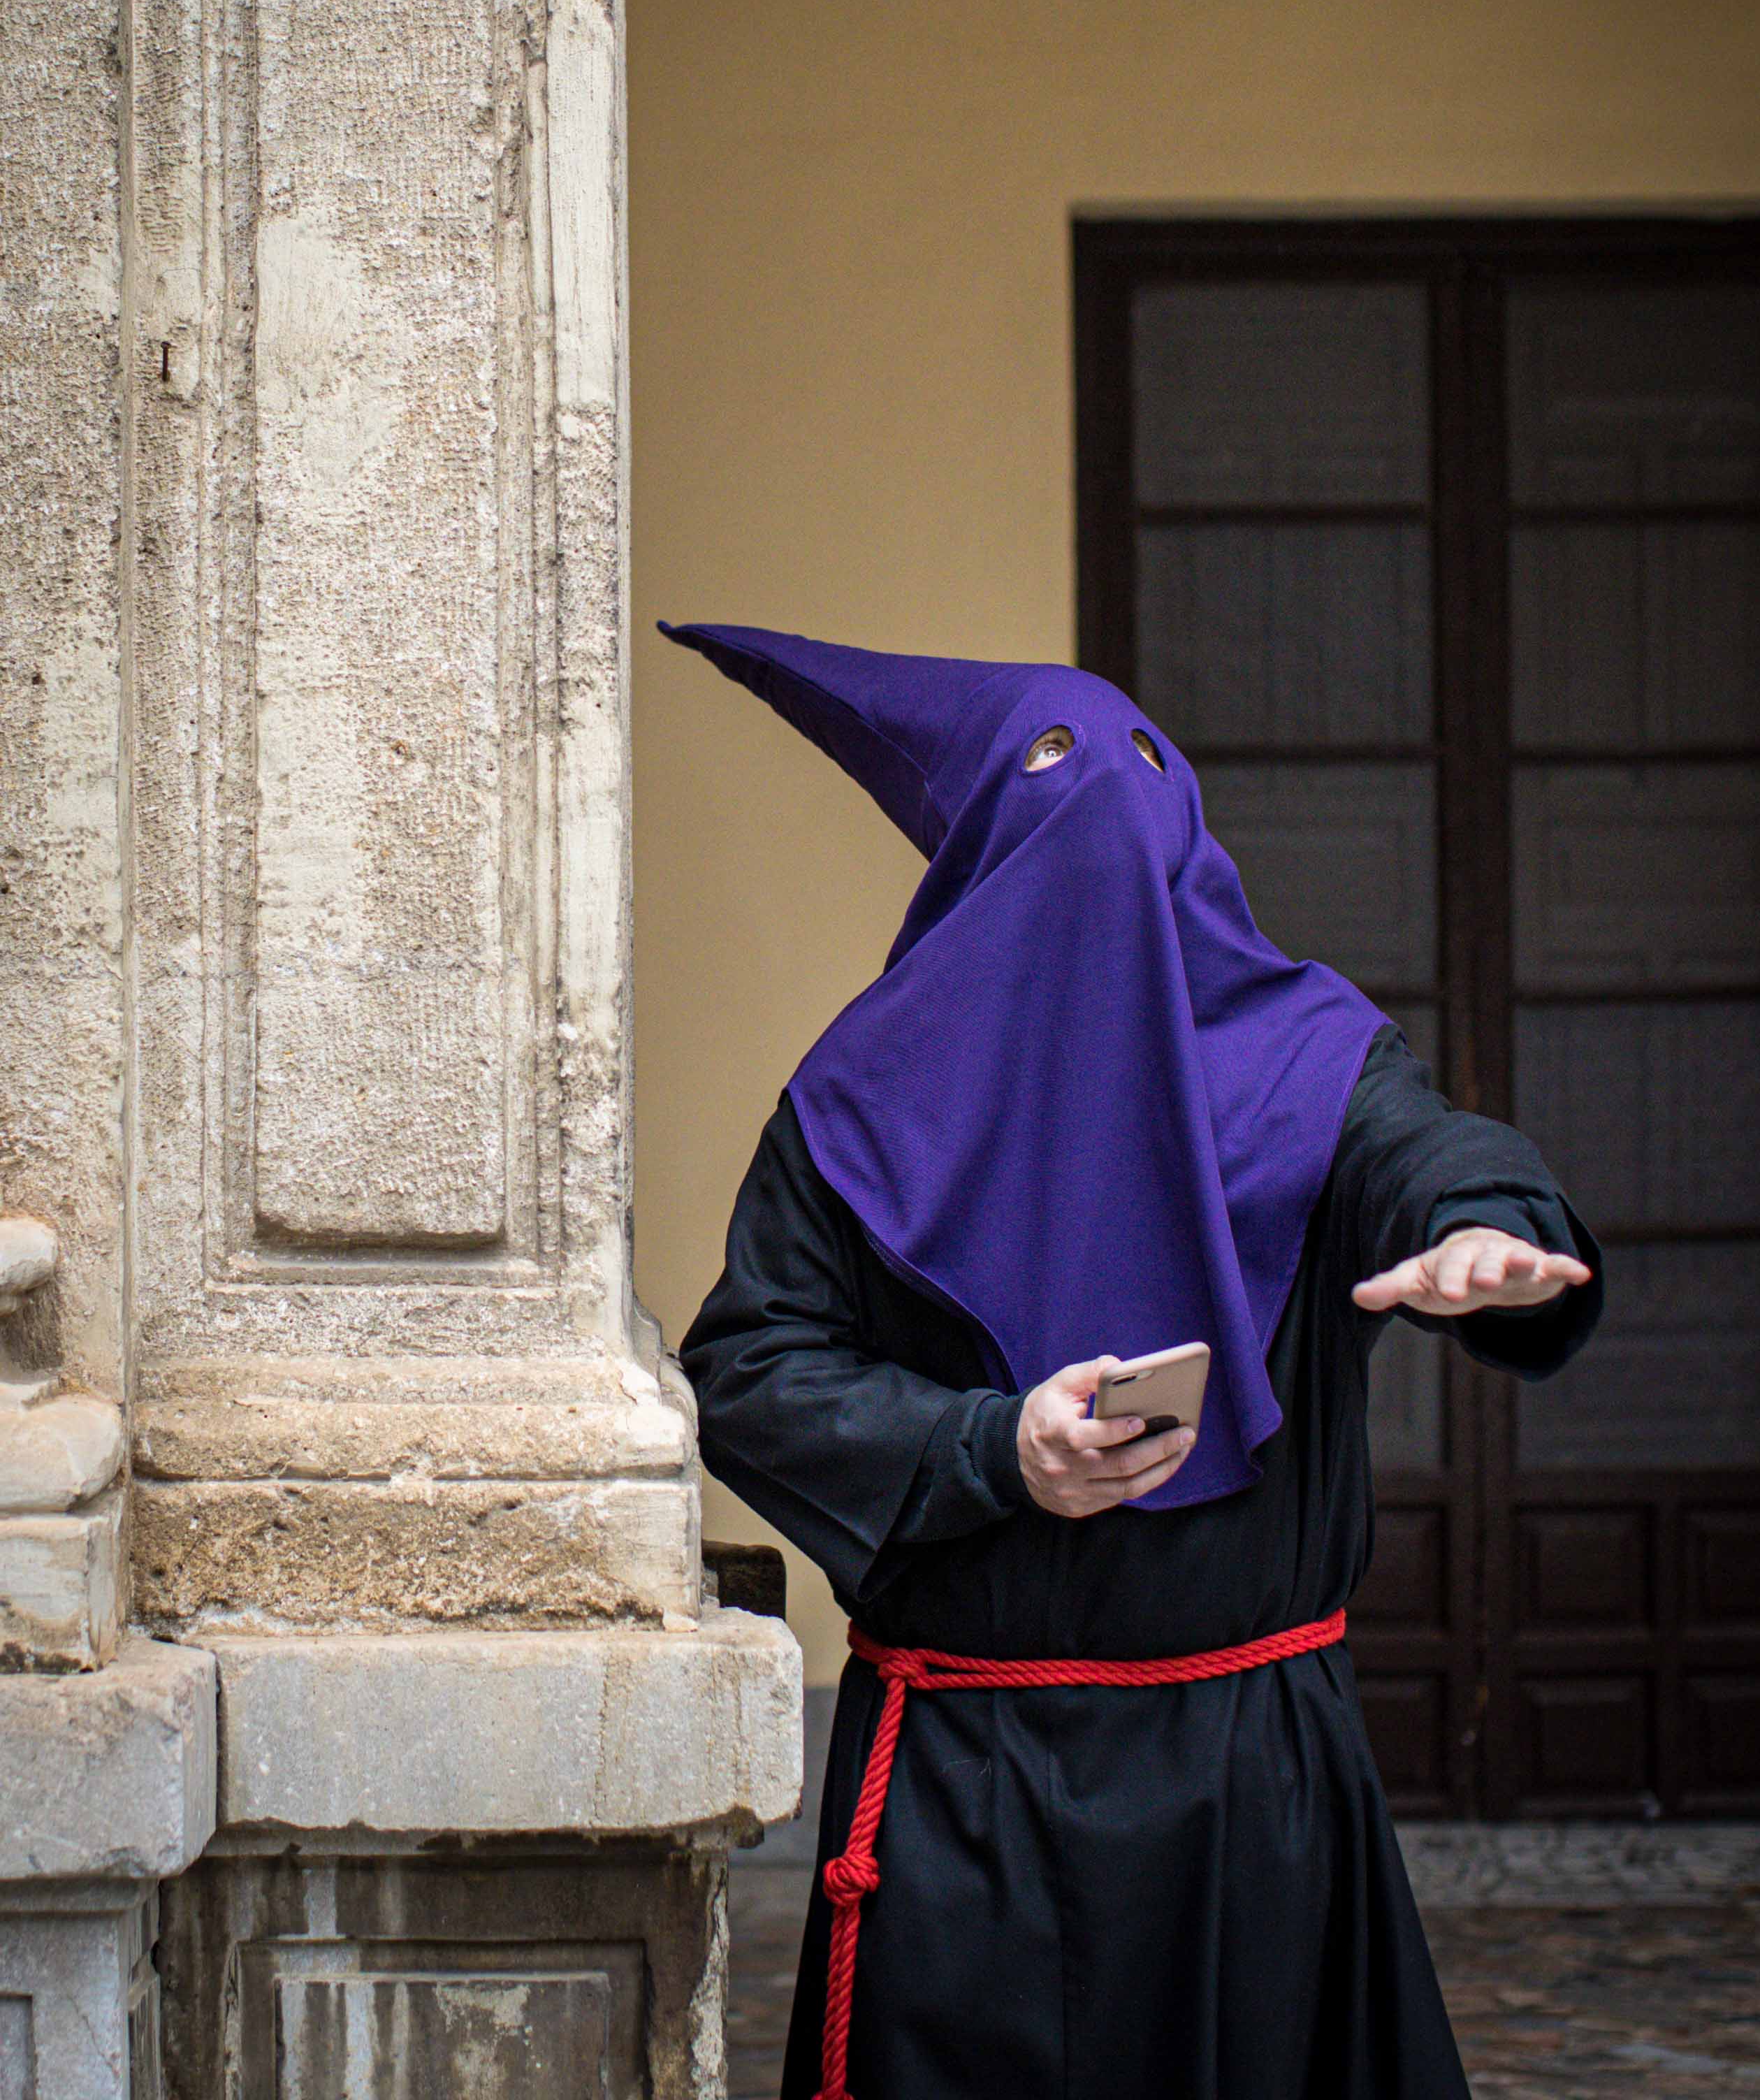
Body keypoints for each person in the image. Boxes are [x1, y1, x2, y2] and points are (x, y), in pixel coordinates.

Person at [665, 621, 1602, 2100]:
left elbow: (1429, 1152)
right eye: (1044, 776)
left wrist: (1485, 1226)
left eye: (1131, 775)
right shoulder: (856, 1105)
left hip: (1252, 1776)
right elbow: (749, 1368)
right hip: (973, 1787)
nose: (1095, 808)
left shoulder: (1306, 1060)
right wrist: (993, 1446)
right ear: (977, 829)